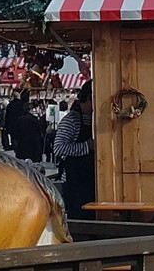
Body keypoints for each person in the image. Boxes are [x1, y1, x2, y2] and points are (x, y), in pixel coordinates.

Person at [54, 79, 95, 220]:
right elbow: (58, 148)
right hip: (75, 183)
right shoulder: (72, 120)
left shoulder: (97, 120)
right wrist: (87, 146)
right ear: (89, 97)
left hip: (93, 182)